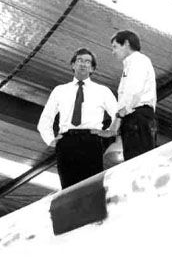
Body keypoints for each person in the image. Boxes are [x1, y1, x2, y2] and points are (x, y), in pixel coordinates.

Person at [37, 48, 119, 189]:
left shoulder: (102, 91)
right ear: (73, 65)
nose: (83, 64)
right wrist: (50, 140)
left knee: (92, 186)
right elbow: (45, 119)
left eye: (87, 62)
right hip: (66, 142)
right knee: (68, 187)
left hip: (91, 141)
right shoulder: (60, 90)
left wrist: (109, 131)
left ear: (92, 68)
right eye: (79, 60)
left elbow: (118, 114)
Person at [110, 30, 157, 161]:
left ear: (126, 43)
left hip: (137, 117)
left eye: (115, 47)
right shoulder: (131, 64)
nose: (113, 52)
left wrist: (119, 117)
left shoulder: (138, 61)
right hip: (135, 117)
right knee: (135, 159)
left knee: (137, 160)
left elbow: (133, 91)